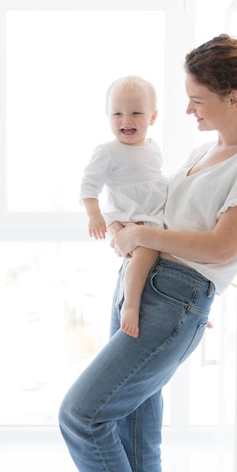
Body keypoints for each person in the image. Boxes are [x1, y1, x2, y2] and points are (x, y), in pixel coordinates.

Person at [59, 34, 237, 472]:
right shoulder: (200, 153)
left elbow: (224, 246)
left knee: (81, 415)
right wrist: (125, 236)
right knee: (136, 427)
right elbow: (156, 215)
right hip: (148, 280)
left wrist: (144, 238)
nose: (186, 110)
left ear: (233, 98)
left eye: (197, 99)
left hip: (175, 293)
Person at [80, 75, 166, 337]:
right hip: (126, 215)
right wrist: (95, 215)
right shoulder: (108, 151)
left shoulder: (153, 148)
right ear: (107, 117)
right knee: (144, 254)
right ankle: (131, 303)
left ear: (152, 117)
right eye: (117, 114)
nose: (126, 120)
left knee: (160, 249)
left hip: (150, 215)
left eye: (136, 113)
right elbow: (88, 185)